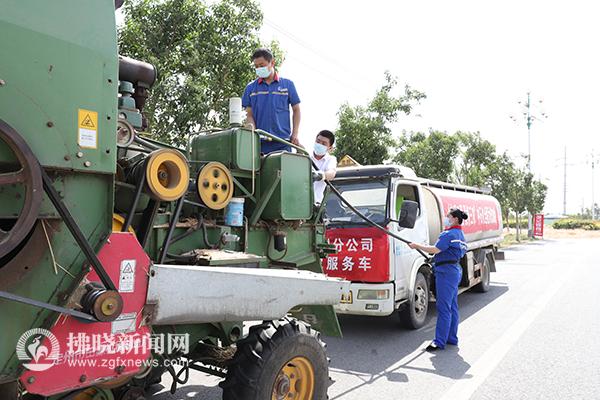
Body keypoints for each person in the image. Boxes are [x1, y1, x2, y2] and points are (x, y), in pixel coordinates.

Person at [408, 208, 469, 352]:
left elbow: (435, 249)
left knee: (443, 308)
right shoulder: (460, 234)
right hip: (454, 270)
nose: (446, 218)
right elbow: (447, 252)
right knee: (452, 306)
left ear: (454, 218)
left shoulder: (449, 234)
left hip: (446, 273)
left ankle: (439, 341)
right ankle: (451, 338)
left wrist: (416, 245)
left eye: (448, 216)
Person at [242, 48, 301, 154]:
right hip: (259, 144)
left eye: (262, 65)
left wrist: (295, 133)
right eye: (256, 66)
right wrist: (252, 133)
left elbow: (296, 110)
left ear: (272, 62)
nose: (259, 68)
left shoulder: (287, 85)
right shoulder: (250, 88)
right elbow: (249, 115)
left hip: (282, 142)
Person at [310, 130, 337, 204]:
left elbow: (331, 173)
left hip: (316, 204)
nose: (319, 144)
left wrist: (320, 175)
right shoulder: (306, 156)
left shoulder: (331, 159)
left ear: (330, 148)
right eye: (318, 141)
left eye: (324, 144)